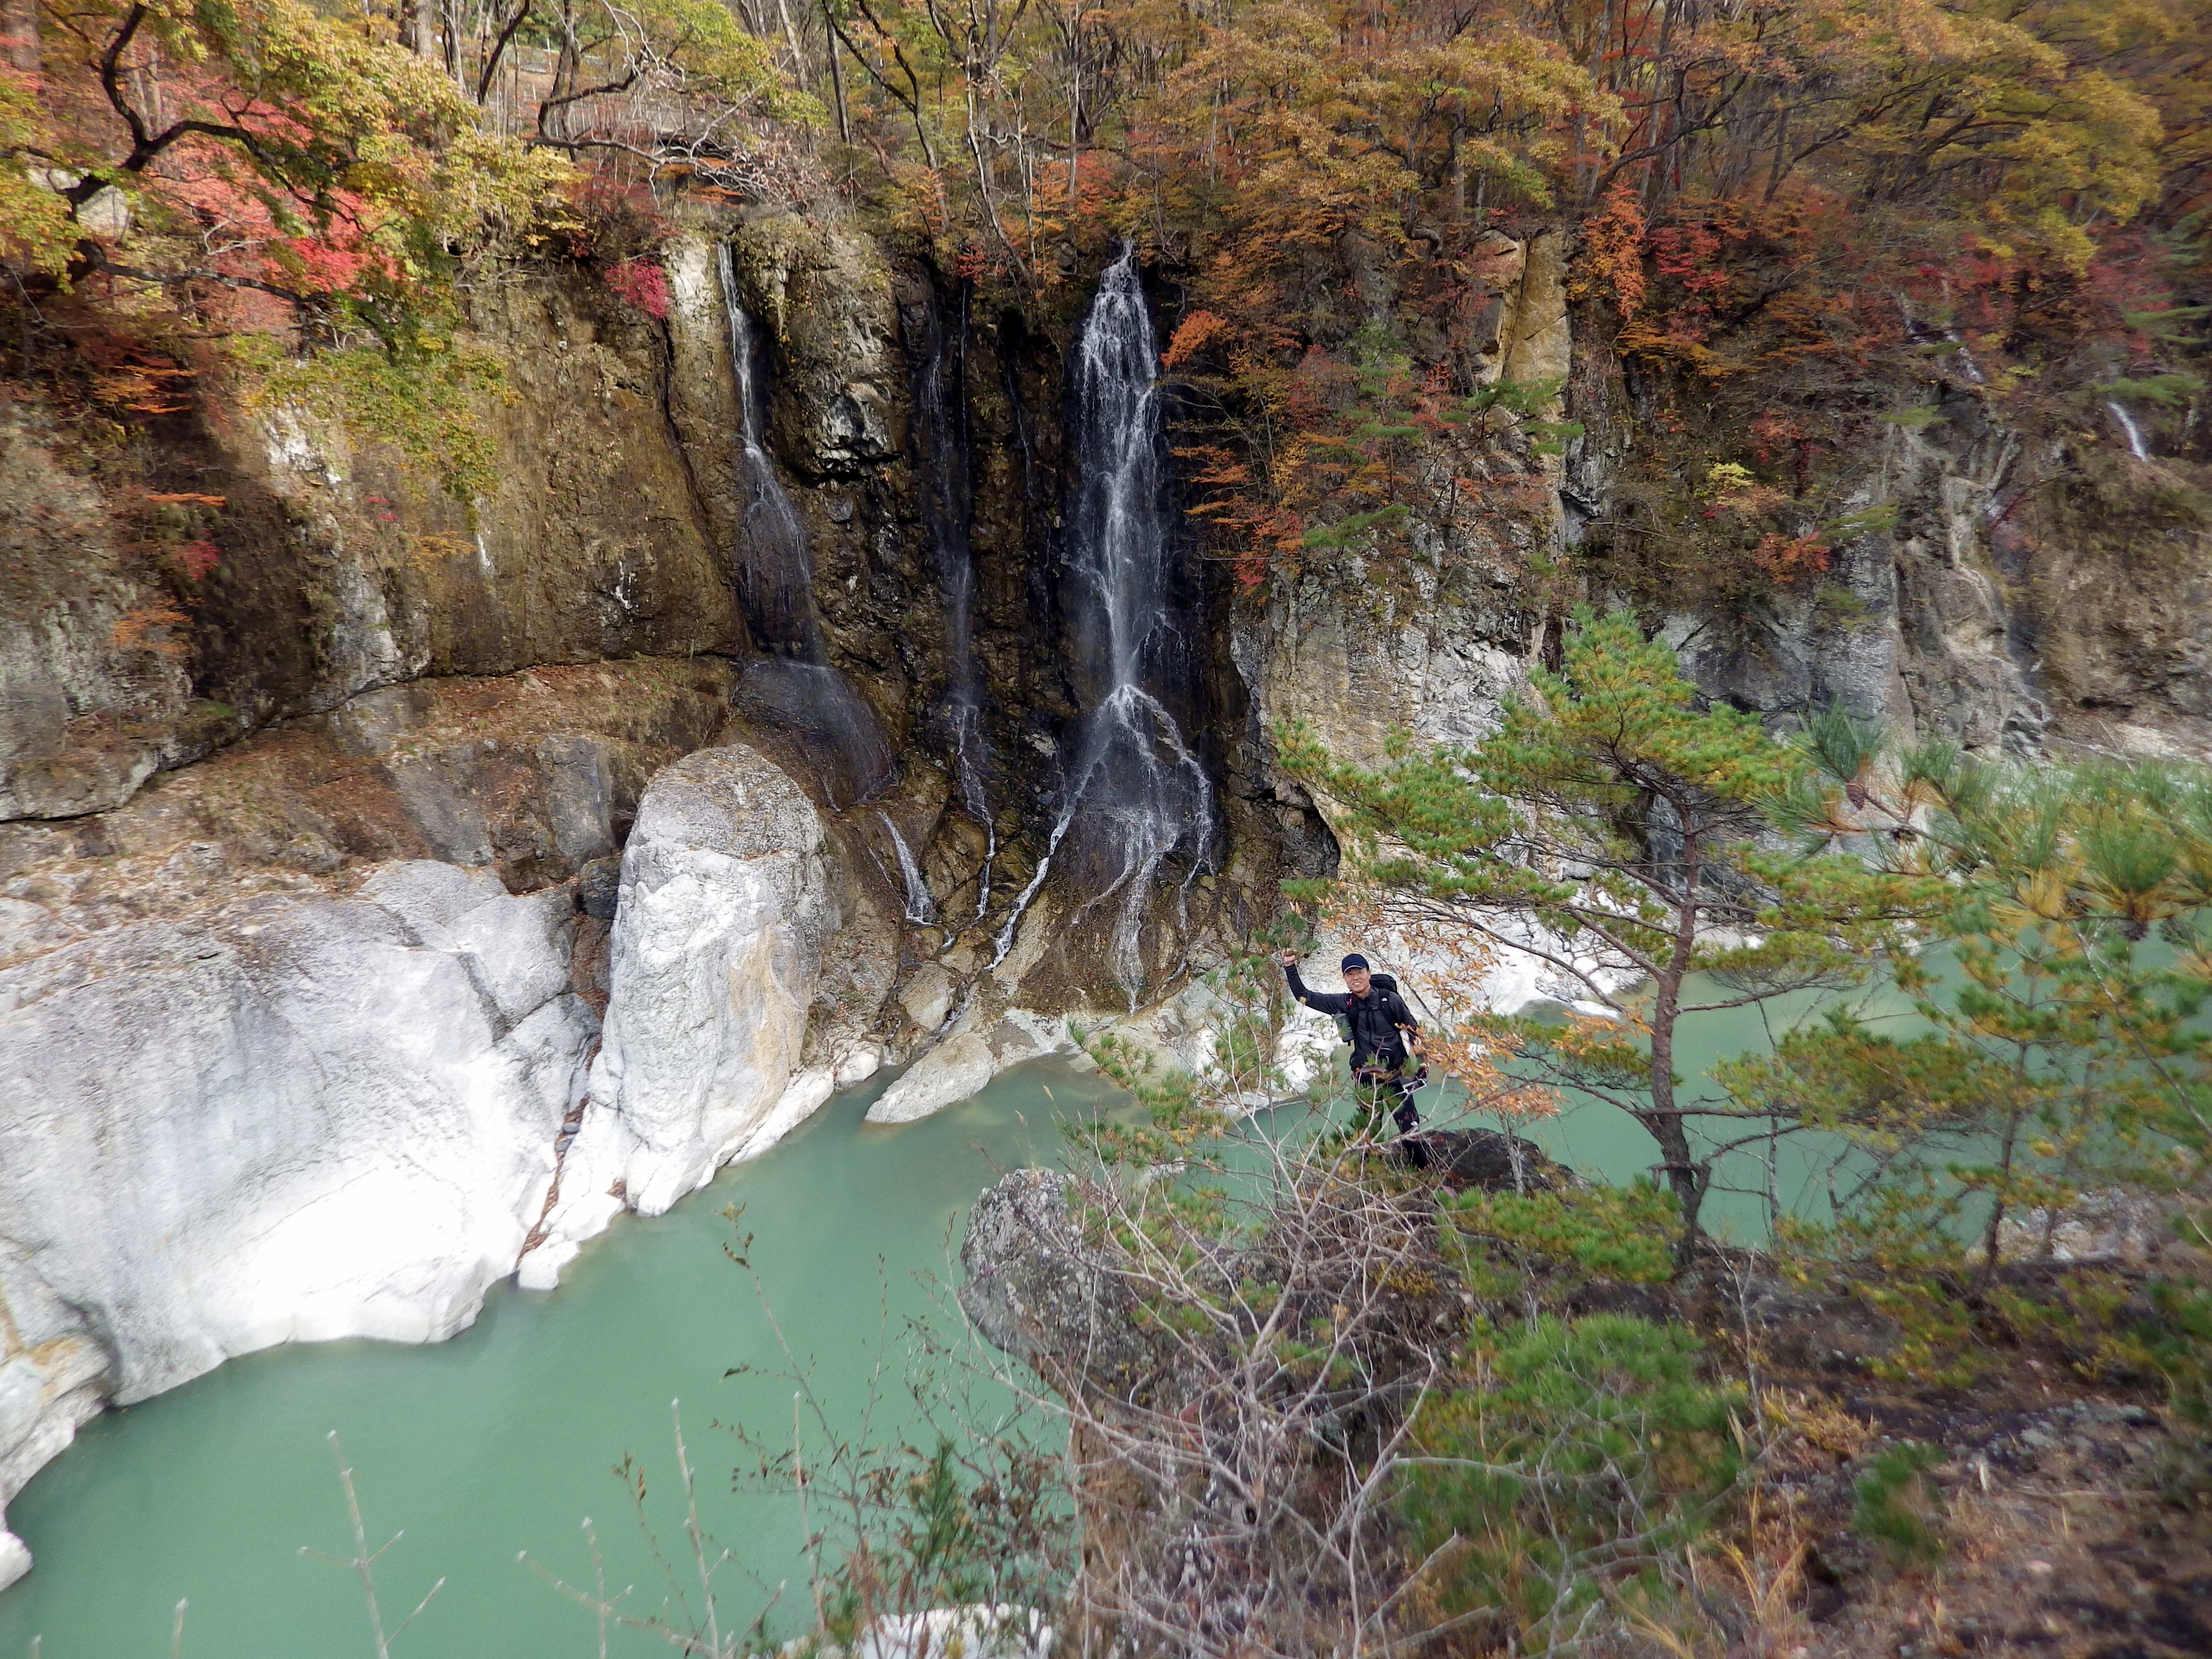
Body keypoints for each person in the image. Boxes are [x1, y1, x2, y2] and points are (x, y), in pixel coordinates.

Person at [1281, 949, 1428, 1159]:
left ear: (1369, 973)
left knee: (1410, 1130)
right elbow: (1304, 996)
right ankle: (1369, 1179)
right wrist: (1289, 966)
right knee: (1369, 1133)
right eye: (1350, 975)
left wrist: (1421, 1064)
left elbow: (1413, 1031)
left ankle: (1423, 1174)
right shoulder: (1344, 1003)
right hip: (1366, 1077)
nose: (1355, 978)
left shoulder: (1390, 1000)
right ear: (1344, 979)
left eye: (1359, 972)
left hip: (1396, 1074)